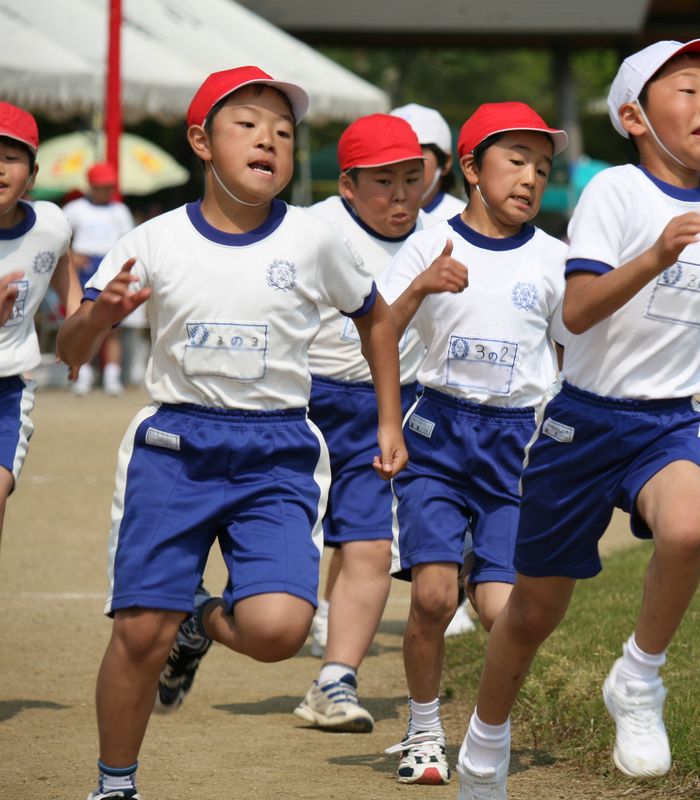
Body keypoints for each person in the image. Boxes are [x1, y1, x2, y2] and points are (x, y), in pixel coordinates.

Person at [56, 66, 405, 800]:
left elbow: (375, 317)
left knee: (278, 631)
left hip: (277, 449)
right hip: (173, 448)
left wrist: (384, 418)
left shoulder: (315, 241)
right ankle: (115, 785)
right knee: (138, 635)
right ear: (201, 142)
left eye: (283, 131)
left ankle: (198, 617)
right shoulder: (152, 240)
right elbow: (72, 352)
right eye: (248, 125)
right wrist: (97, 313)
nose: (269, 140)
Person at [454, 39, 700, 797]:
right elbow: (579, 310)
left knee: (690, 530)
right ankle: (483, 744)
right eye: (686, 91)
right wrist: (657, 256)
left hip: (669, 420)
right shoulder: (615, 195)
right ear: (634, 116)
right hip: (583, 423)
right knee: (531, 614)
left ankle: (638, 677)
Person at [377, 101, 569, 787]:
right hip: (437, 433)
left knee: (501, 612)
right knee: (431, 597)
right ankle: (423, 730)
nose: (529, 179)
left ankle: (489, 729)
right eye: (515, 161)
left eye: (541, 169)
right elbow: (381, 331)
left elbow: (574, 352)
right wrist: (390, 424)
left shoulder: (555, 260)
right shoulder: (429, 242)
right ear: (470, 168)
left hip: (516, 446)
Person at [291, 113, 426, 733]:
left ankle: (334, 680)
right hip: (301, 406)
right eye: (382, 183)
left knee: (371, 546)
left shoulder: (439, 234)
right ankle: (197, 616)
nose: (400, 196)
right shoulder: (310, 231)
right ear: (347, 185)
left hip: (383, 410)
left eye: (411, 178)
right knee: (283, 560)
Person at [390, 102, 477, 638]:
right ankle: (331, 611)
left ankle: (460, 594)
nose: (402, 177)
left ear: (444, 164)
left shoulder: (459, 221)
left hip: (434, 386)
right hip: (371, 382)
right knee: (360, 509)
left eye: (415, 162)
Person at [0, 102, 81, 541]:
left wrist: (77, 328)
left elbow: (64, 268)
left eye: (11, 158)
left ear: (31, 177)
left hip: (8, 387)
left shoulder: (50, 223)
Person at [63, 162, 135, 395]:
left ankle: (112, 376)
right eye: (101, 186)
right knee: (81, 320)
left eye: (108, 186)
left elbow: (129, 241)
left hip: (110, 266)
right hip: (84, 267)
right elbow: (58, 238)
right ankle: (82, 374)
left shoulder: (120, 210)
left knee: (113, 326)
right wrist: (72, 255)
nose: (105, 190)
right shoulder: (75, 208)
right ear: (91, 186)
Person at [392, 103, 467, 223]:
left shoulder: (465, 222)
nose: (401, 160)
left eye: (417, 150)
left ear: (446, 162)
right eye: (392, 151)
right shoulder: (364, 212)